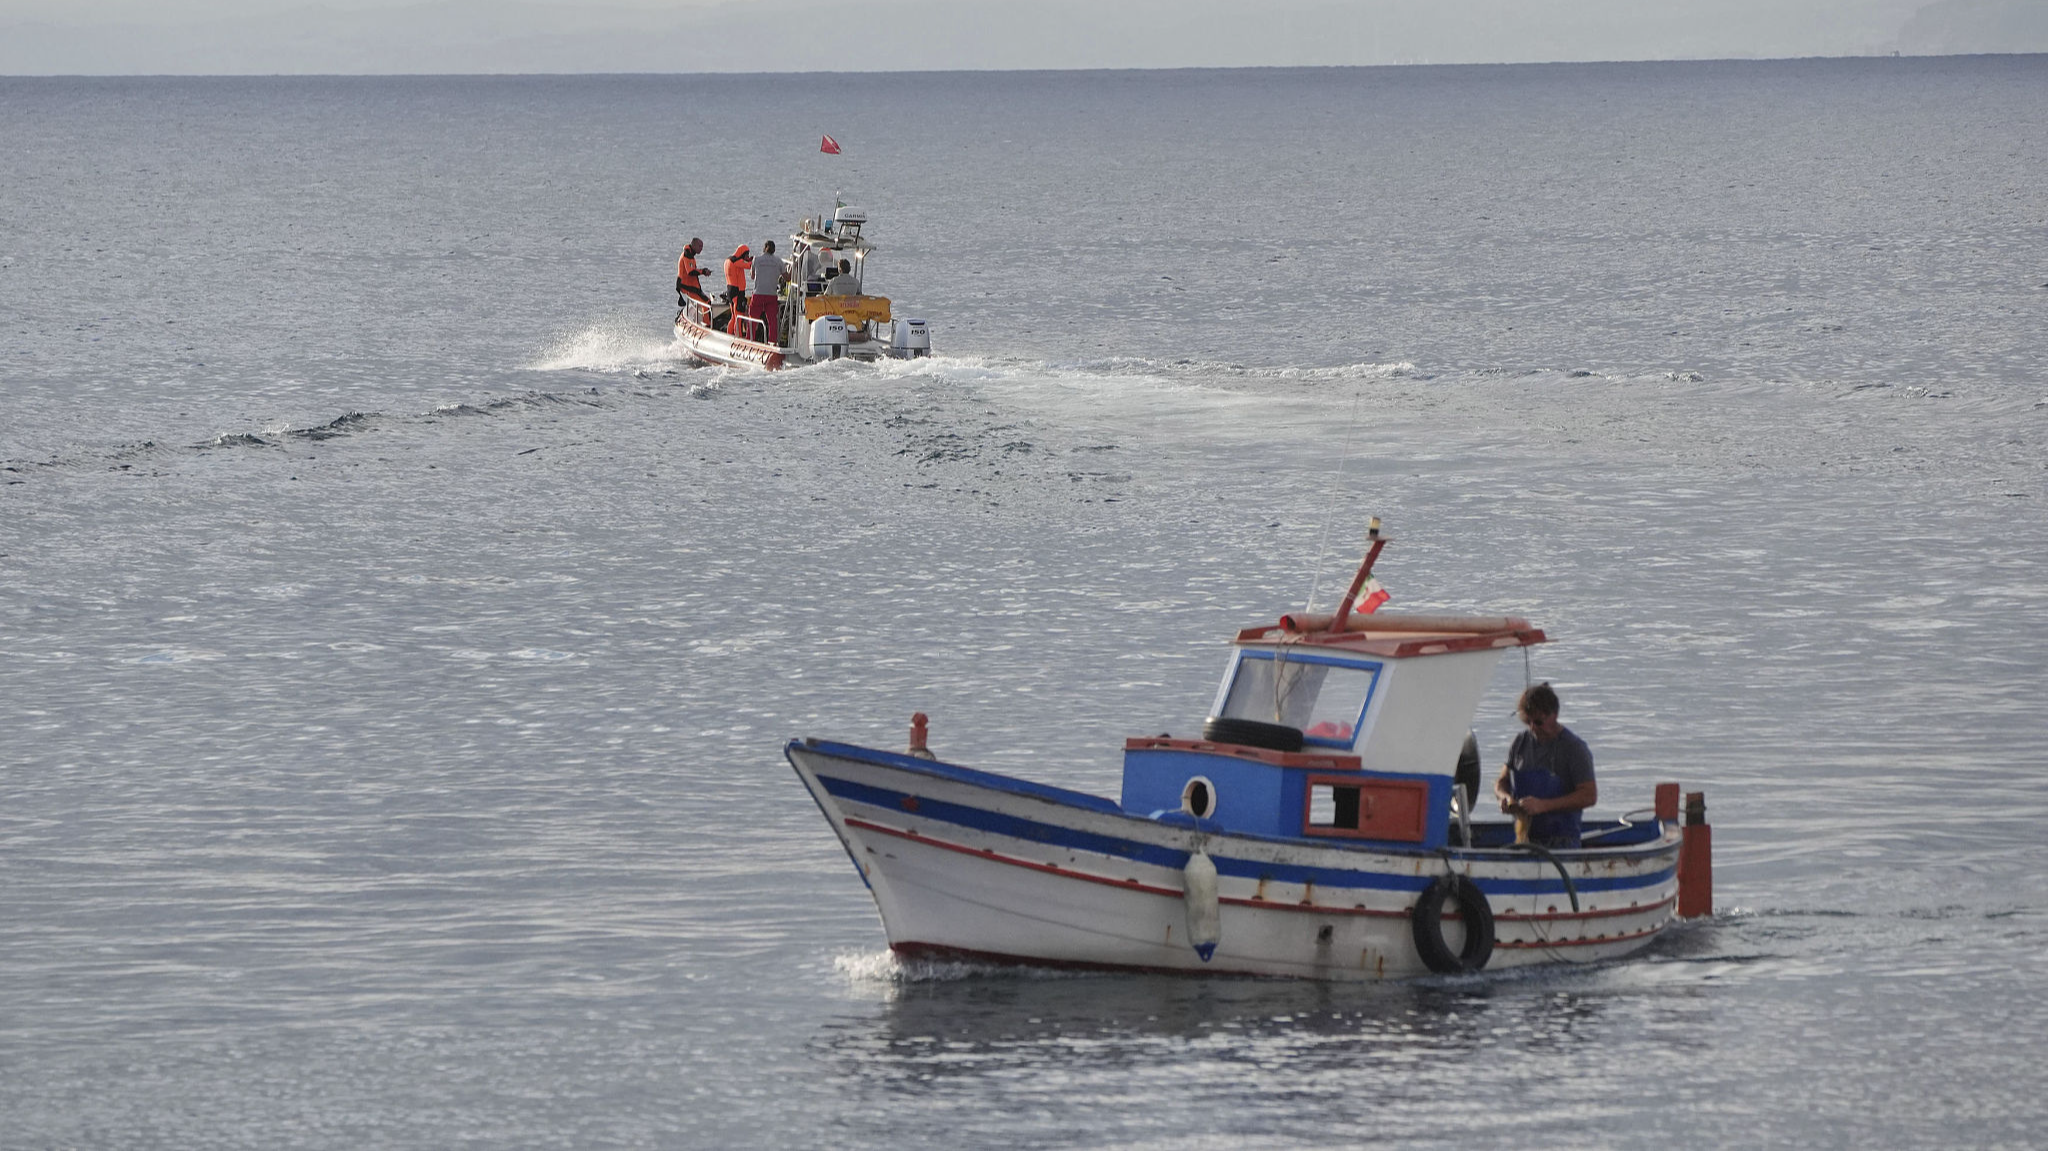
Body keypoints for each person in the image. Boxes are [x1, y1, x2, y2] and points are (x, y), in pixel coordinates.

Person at [1493, 682, 1596, 848]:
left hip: (1563, 843)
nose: (1533, 727)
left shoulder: (1574, 749)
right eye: (1528, 721)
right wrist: (1504, 797)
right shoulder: (1520, 743)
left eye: (1538, 722)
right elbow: (1502, 780)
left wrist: (1544, 806)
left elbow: (1589, 795)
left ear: (1554, 715)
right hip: (1526, 841)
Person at [747, 239, 788, 345]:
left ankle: (749, 340)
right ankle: (772, 342)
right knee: (772, 321)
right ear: (774, 250)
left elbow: (752, 276)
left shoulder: (756, 259)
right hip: (771, 295)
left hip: (758, 294)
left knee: (753, 320)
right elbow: (787, 278)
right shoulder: (779, 261)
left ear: (764, 248)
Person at [722, 244, 752, 335]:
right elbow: (749, 266)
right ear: (742, 253)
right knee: (739, 316)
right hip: (738, 292)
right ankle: (737, 336)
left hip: (731, 291)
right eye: (746, 255)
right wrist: (755, 261)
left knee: (734, 316)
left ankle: (730, 334)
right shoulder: (736, 261)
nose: (747, 256)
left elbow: (742, 264)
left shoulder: (728, 260)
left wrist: (746, 260)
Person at [676, 238, 708, 306]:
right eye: (700, 246)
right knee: (706, 304)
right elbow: (690, 272)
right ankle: (706, 316)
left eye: (702, 247)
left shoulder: (690, 254)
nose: (701, 248)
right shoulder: (688, 255)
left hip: (692, 287)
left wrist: (703, 271)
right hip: (688, 287)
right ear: (694, 245)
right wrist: (703, 271)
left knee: (707, 301)